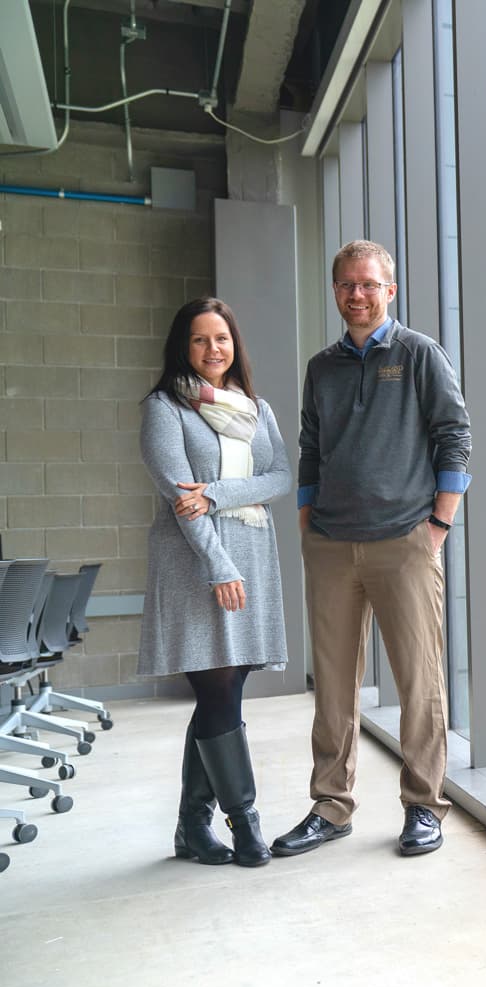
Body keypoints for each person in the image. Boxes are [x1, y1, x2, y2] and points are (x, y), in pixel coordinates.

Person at [272, 240, 471, 859]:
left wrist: (437, 527)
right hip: (331, 544)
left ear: (389, 290)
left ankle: (423, 806)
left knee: (419, 682)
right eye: (346, 285)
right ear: (335, 292)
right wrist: (307, 523)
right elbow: (310, 446)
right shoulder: (321, 367)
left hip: (404, 541)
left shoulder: (418, 355)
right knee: (332, 686)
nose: (356, 295)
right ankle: (330, 806)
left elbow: (455, 437)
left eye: (368, 284)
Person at [138, 297, 291, 868]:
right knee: (217, 689)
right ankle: (245, 821)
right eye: (200, 340)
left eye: (221, 339)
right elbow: (182, 498)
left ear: (234, 345)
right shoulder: (164, 408)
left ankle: (191, 828)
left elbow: (278, 475)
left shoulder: (255, 408)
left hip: (253, 551)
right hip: (195, 561)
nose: (212, 350)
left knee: (223, 693)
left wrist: (221, 492)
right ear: (183, 345)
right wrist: (219, 566)